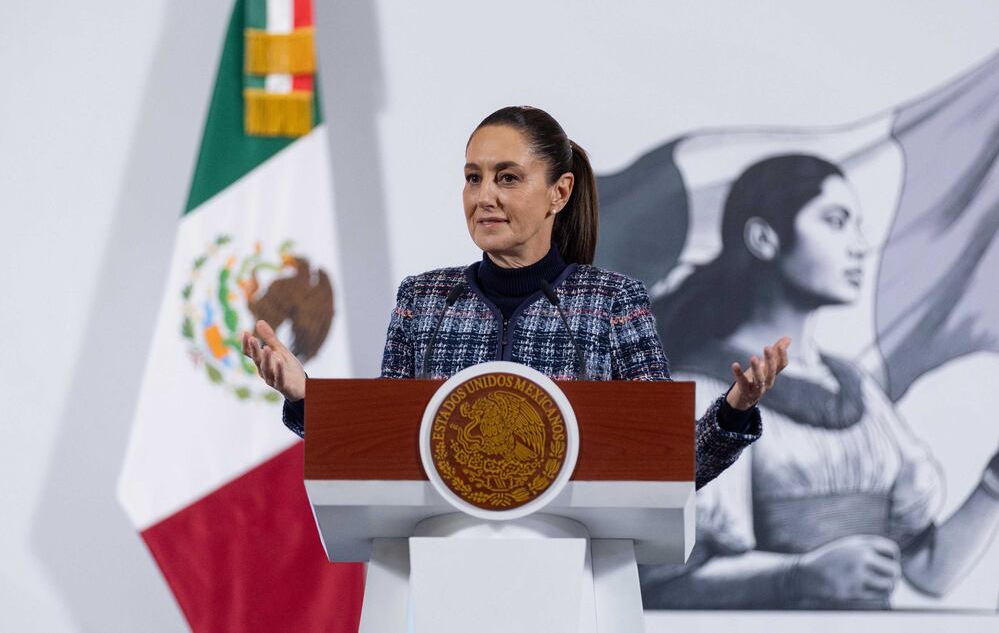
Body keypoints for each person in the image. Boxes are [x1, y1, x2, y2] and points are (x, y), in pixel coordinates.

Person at [241, 105, 791, 490]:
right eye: (472, 178)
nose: (484, 197)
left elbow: (668, 466)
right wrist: (306, 397)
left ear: (559, 192)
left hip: (571, 571)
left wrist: (733, 411)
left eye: (507, 178)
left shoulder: (612, 303)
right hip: (445, 568)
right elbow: (385, 451)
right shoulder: (425, 301)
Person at [639, 154, 999, 609]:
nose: (860, 246)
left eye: (857, 226)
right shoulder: (701, 390)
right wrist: (797, 577)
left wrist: (994, 481)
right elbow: (664, 579)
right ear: (764, 238)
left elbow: (928, 571)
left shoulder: (858, 389)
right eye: (836, 221)